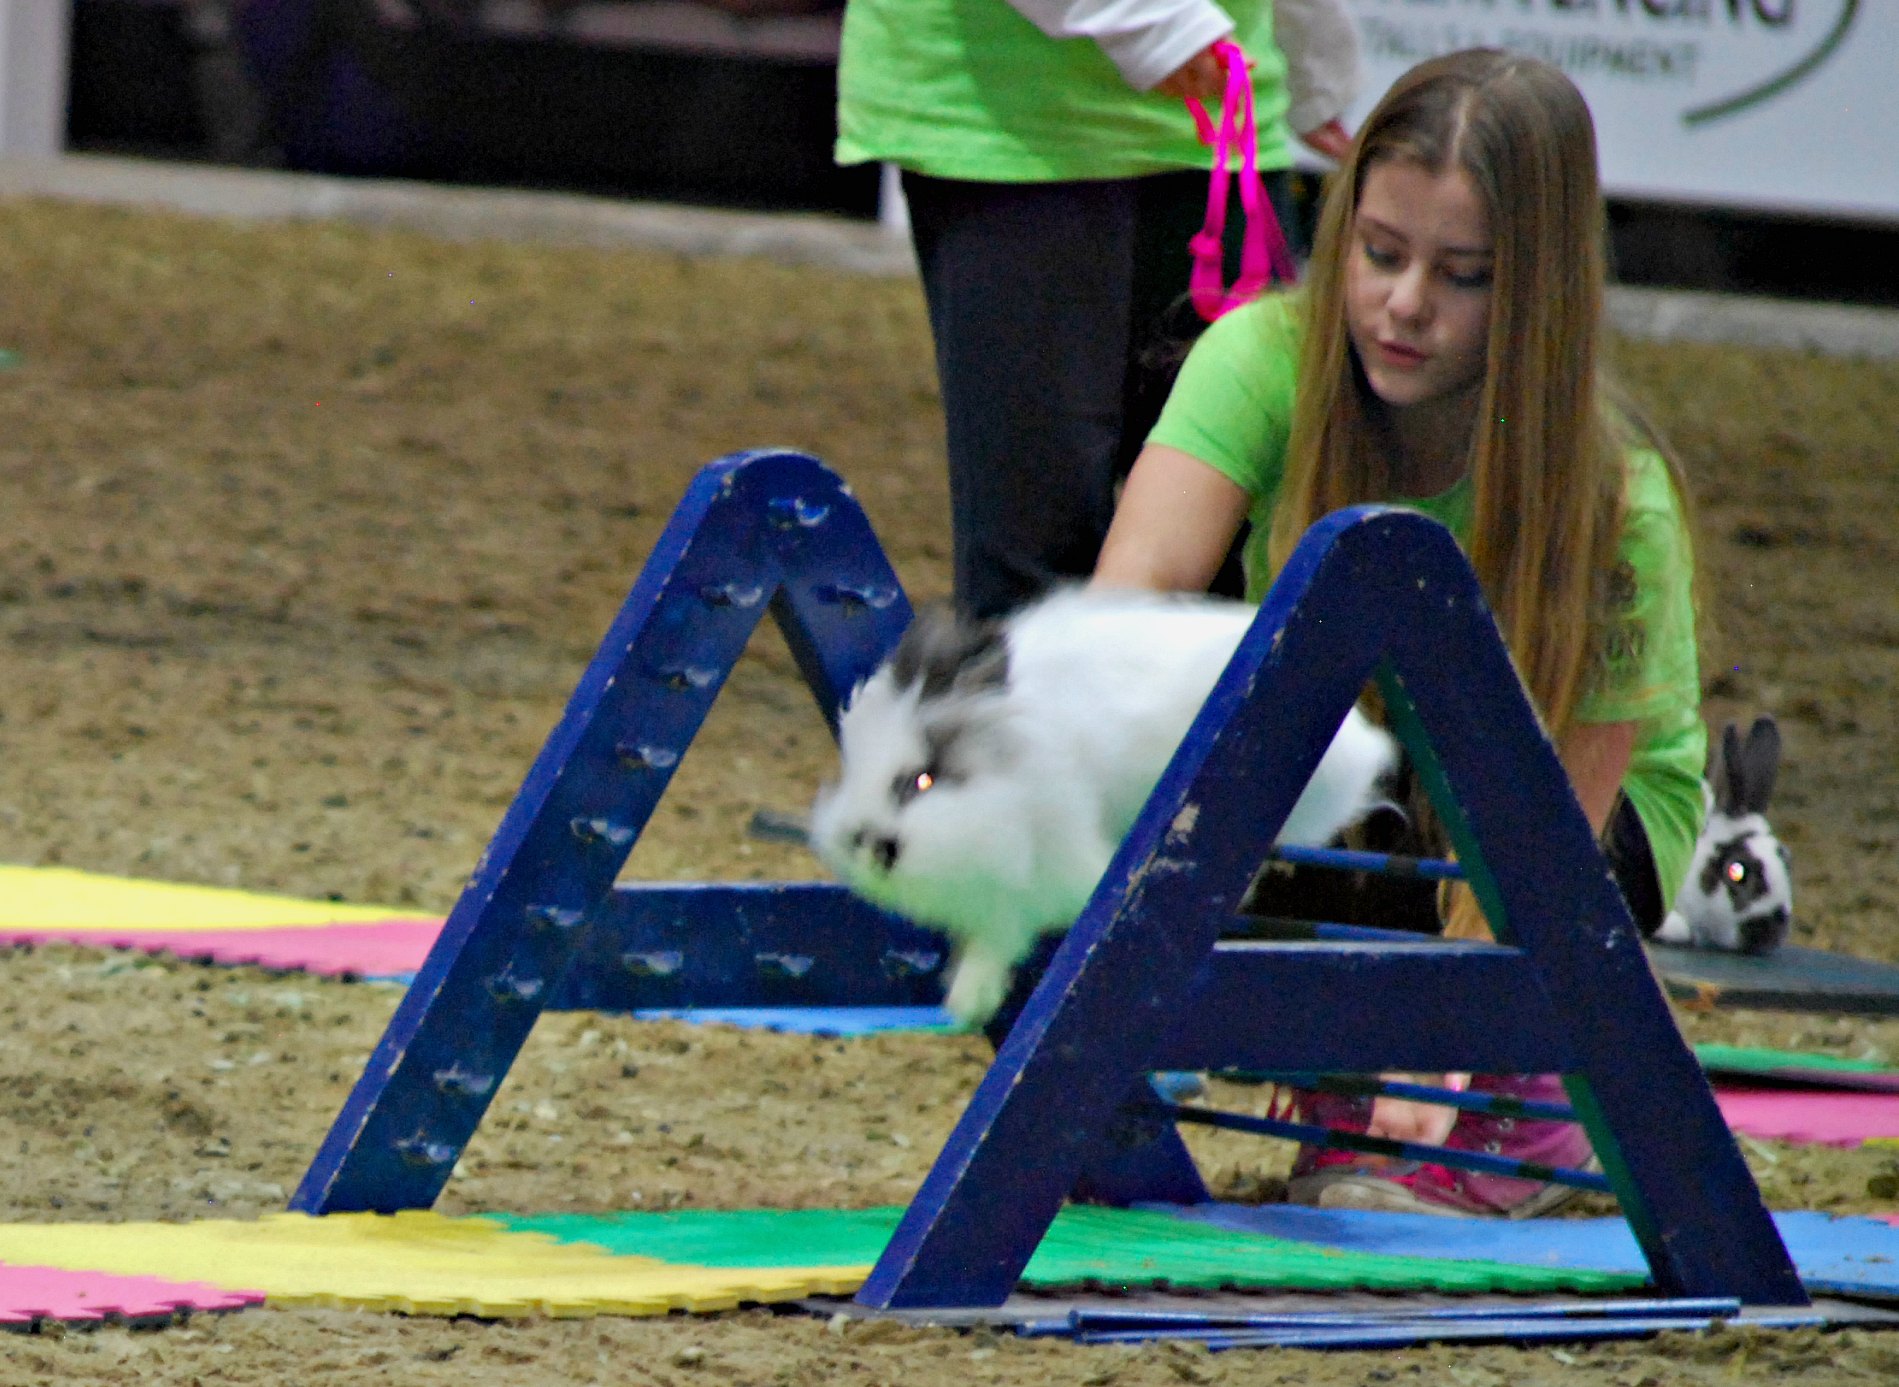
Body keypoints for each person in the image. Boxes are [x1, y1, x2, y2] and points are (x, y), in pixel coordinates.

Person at [1093, 48, 1707, 1217]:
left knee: (1440, 842)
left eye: (1462, 274)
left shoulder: (1614, 493)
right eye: (1379, 253)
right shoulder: (1265, 360)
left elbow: (1560, 812)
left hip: (1563, 820)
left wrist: (1447, 1037)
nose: (1404, 303)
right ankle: (1353, 1064)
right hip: (1358, 767)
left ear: (1537, 294)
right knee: (1254, 772)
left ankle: (1516, 1102)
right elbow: (1127, 605)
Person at [835, 1, 1363, 618]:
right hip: (1015, 120)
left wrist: (1310, 56)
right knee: (1038, 575)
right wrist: (1157, 23)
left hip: (1227, 112)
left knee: (1239, 543)